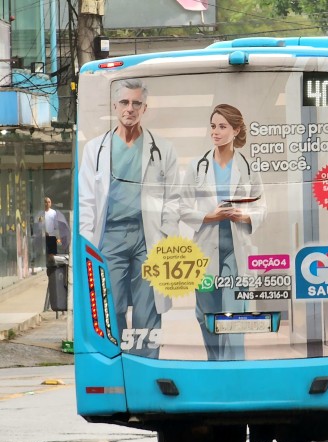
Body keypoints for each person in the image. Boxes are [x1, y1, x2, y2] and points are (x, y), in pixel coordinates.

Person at [78, 78, 180, 358]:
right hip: (109, 235)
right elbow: (86, 201)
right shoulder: (95, 150)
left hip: (149, 237)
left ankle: (146, 370)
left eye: (136, 103)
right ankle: (120, 367)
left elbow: (173, 200)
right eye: (124, 102)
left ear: (145, 108)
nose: (130, 108)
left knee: (148, 311)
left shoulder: (164, 149)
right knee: (112, 307)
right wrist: (88, 244)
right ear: (115, 106)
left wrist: (167, 239)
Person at [180, 104, 266, 360]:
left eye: (222, 127)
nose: (215, 132)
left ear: (236, 130)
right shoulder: (198, 166)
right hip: (205, 250)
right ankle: (214, 363)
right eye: (213, 126)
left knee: (234, 316)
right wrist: (209, 216)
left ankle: (235, 368)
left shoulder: (248, 167)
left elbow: (262, 205)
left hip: (236, 251)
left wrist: (245, 215)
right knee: (206, 315)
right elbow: (182, 207)